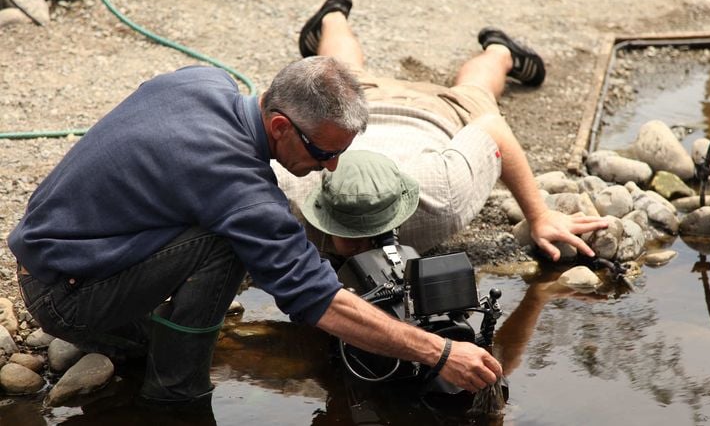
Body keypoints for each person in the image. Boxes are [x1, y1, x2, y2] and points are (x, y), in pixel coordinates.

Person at [9, 57, 501, 404]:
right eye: (323, 153)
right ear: (282, 125)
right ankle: (177, 395)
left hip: (54, 251)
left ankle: (149, 344)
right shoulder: (241, 190)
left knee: (210, 274)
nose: (330, 168)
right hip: (65, 297)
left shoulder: (201, 81)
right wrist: (436, 350)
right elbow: (318, 302)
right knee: (227, 244)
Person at [275, 0, 608, 261]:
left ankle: (501, 50)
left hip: (435, 112)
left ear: (400, 209)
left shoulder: (439, 197)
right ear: (323, 208)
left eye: (375, 234)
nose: (366, 249)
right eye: (352, 238)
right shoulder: (292, 195)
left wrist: (540, 217)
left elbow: (492, 129)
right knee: (342, 73)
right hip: (359, 111)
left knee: (474, 92)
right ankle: (332, 15)